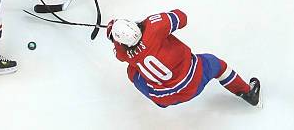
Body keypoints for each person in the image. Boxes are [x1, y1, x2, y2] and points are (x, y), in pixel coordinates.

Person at [108, 10, 261, 108]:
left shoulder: (122, 53)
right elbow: (182, 17)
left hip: (164, 97)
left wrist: (112, 35)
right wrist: (149, 22)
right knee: (218, 65)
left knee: (131, 70)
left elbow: (118, 51)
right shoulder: (153, 26)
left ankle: (160, 101)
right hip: (194, 79)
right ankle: (247, 93)